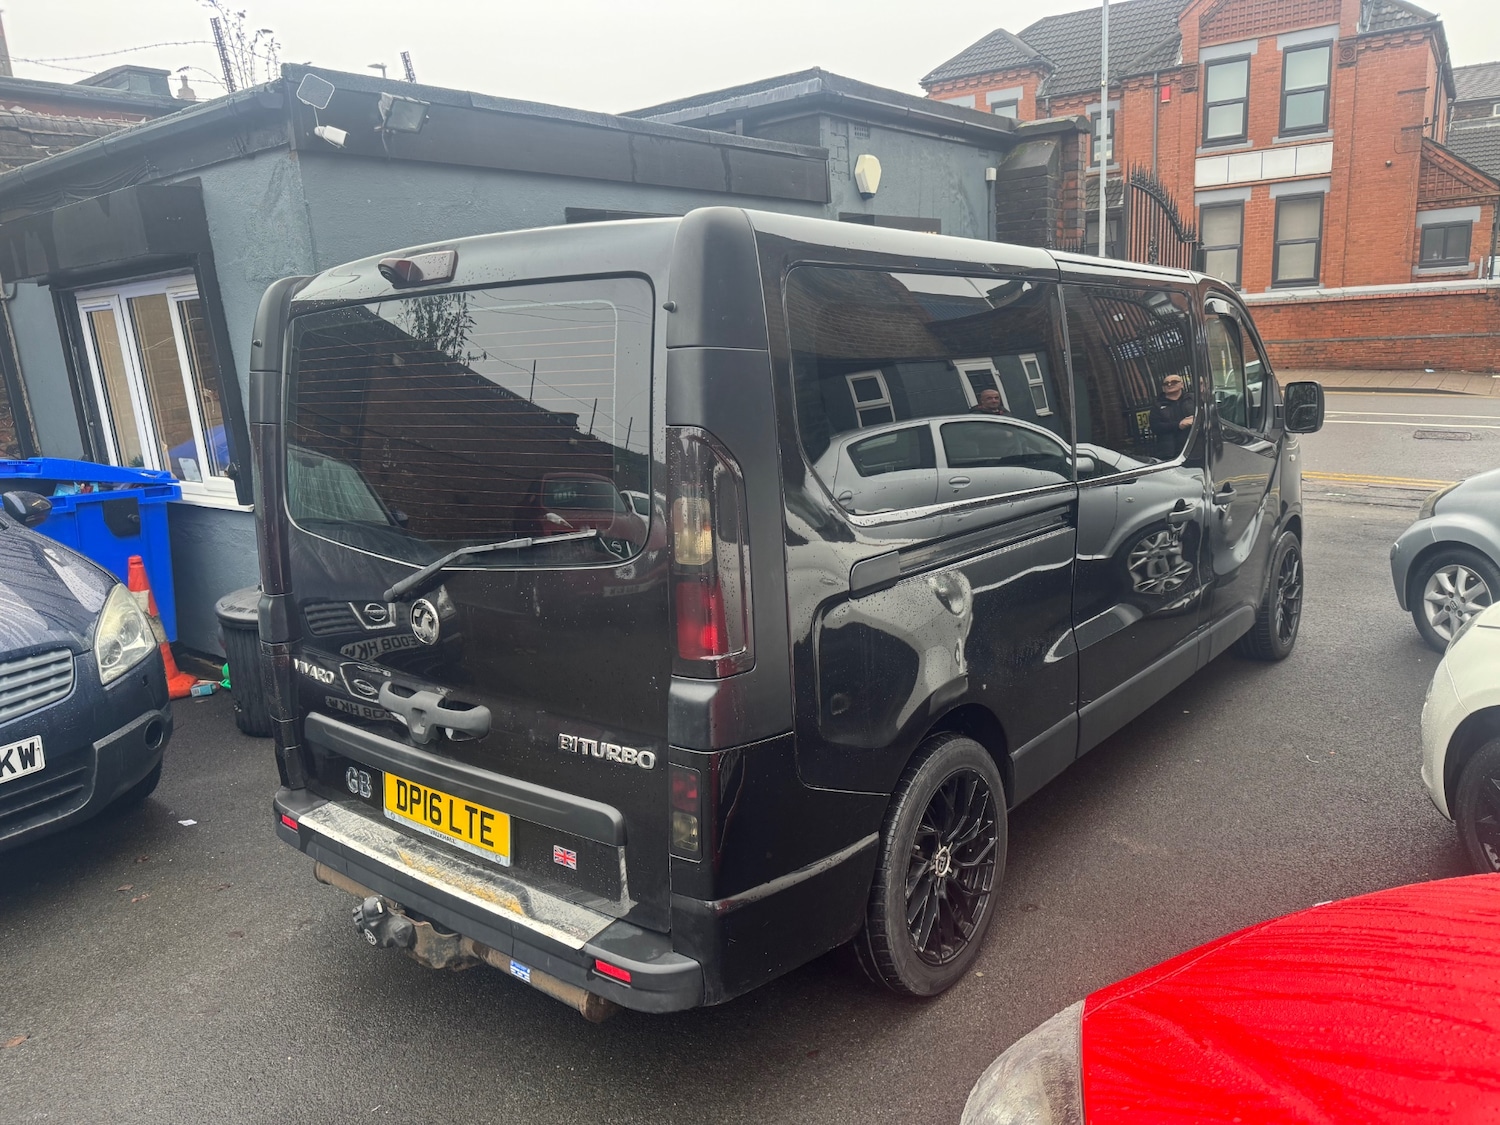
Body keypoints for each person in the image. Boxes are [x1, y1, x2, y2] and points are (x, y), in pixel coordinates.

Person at [1149, 373, 1195, 453]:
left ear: (1182, 385)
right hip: (1170, 452)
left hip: (1195, 447)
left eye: (1174, 382)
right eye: (1166, 383)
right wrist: (1178, 425)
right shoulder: (1157, 405)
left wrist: (1195, 419)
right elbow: (1155, 427)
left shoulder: (1193, 399)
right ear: (1163, 388)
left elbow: (1207, 415)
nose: (1169, 385)